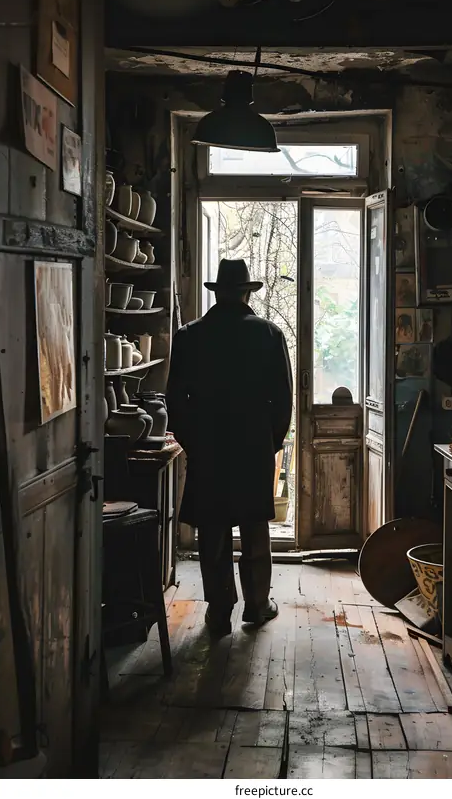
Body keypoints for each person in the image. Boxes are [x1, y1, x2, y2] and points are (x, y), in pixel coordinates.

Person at [167, 259, 293, 639]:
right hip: (253, 445)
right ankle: (256, 605)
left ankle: (220, 610)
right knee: (254, 529)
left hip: (208, 446)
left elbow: (176, 399)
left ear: (217, 292)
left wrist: (193, 441)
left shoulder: (189, 335)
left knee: (213, 531)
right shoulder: (269, 335)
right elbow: (282, 401)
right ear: (246, 292)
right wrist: (269, 442)